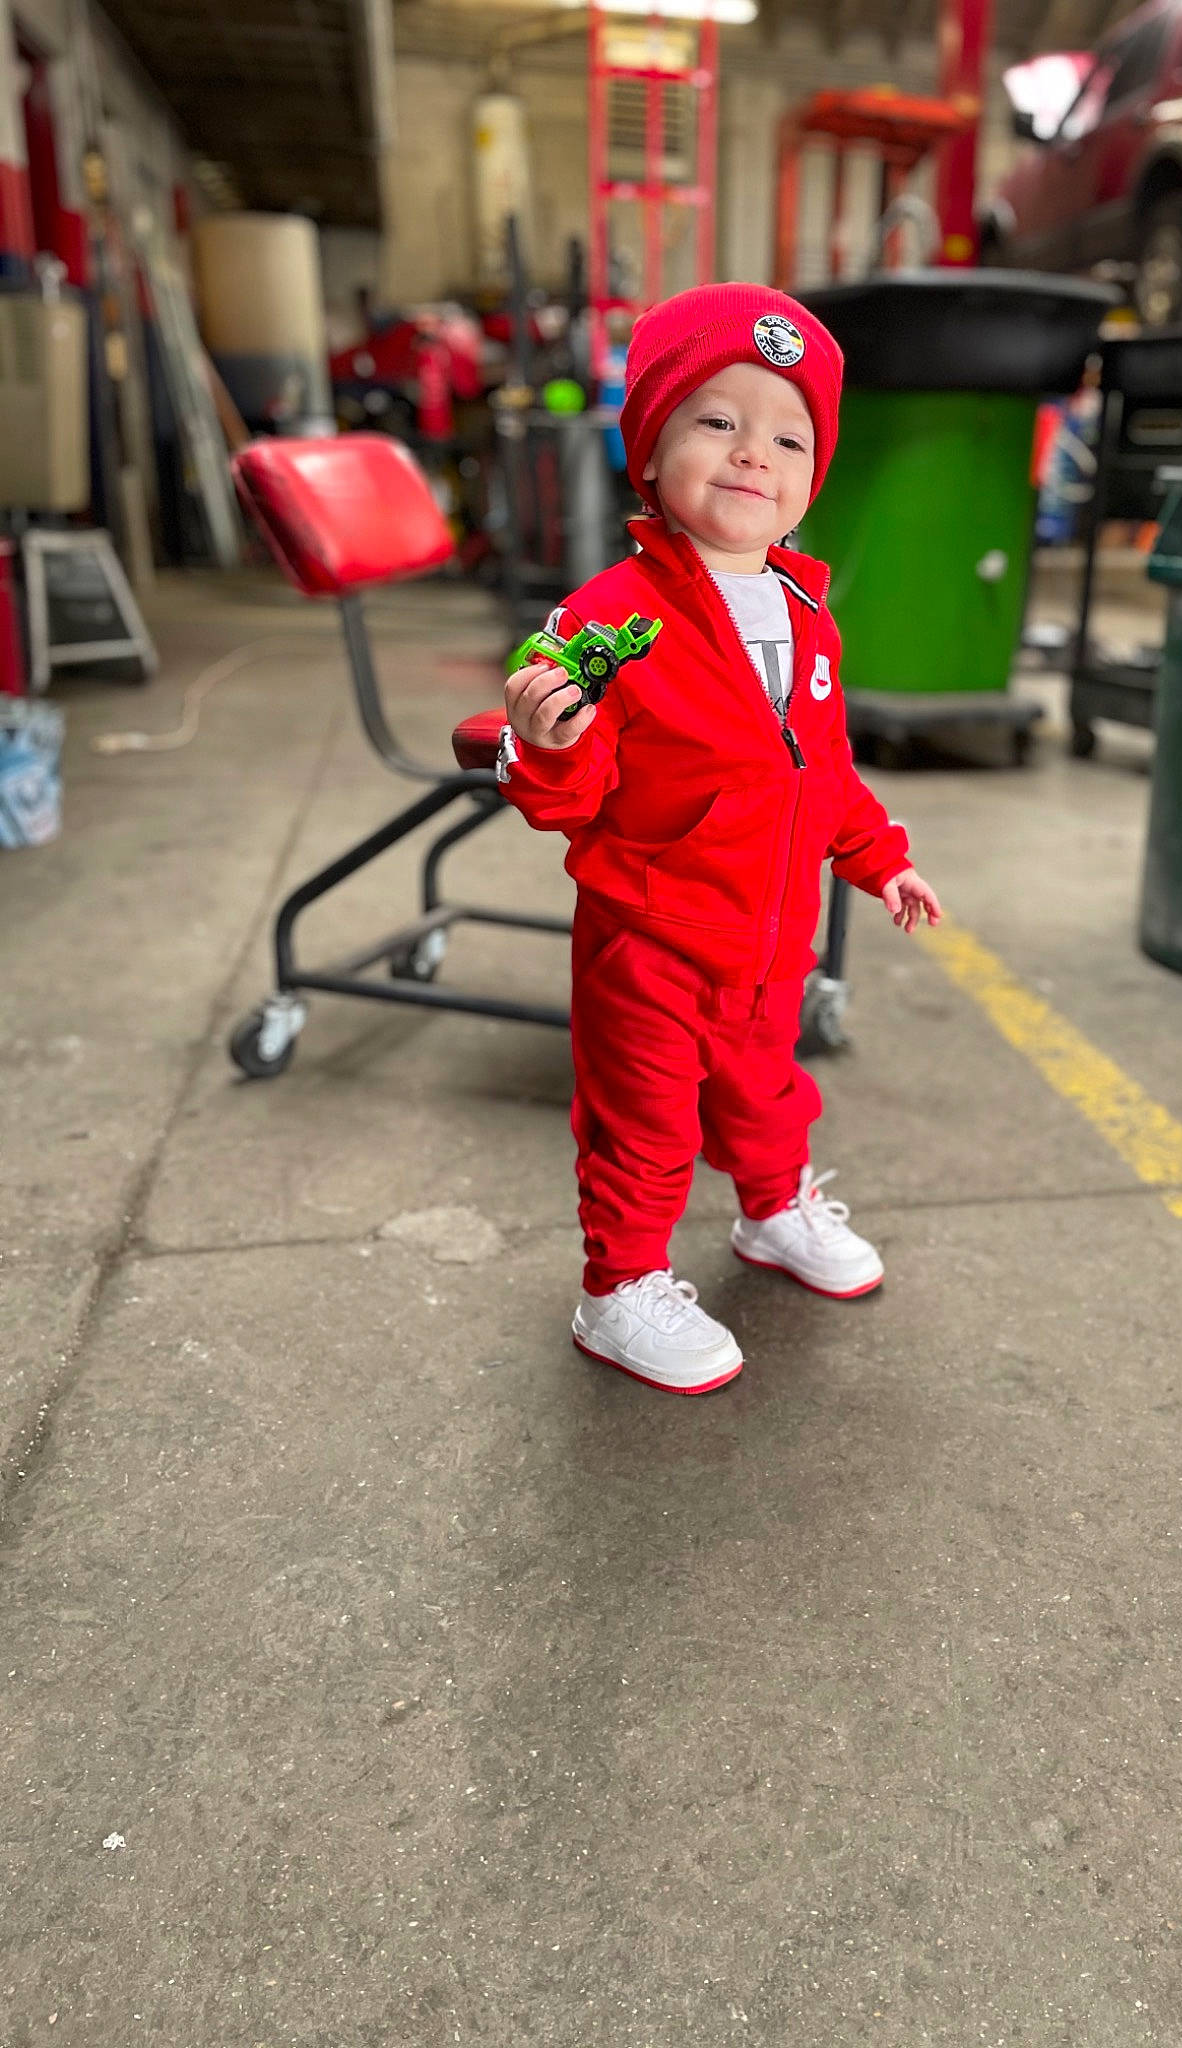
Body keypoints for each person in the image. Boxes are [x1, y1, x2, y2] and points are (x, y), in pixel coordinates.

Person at [495, 282, 942, 1396]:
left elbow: (822, 769)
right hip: (649, 937)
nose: (754, 454)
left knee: (766, 1089)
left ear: (811, 478)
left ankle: (772, 1210)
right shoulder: (606, 616)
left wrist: (878, 854)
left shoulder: (805, 612)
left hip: (773, 934)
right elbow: (568, 796)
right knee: (642, 1122)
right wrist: (546, 742)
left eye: (788, 435)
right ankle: (621, 1285)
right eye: (718, 421)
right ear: (649, 449)